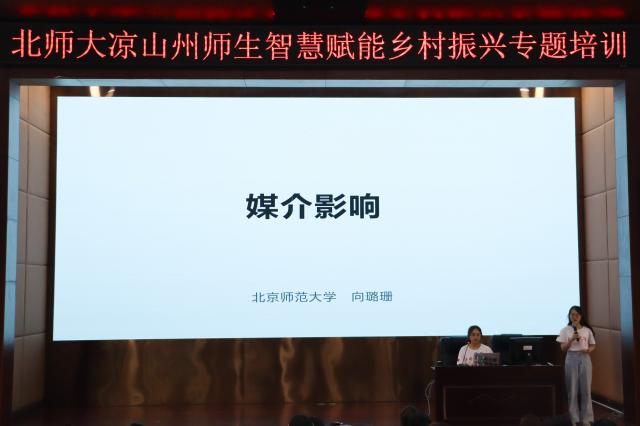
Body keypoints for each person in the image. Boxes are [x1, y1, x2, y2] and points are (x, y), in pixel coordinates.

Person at [556, 306, 596, 426]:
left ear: (581, 316)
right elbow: (563, 348)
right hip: (571, 357)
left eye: (577, 314)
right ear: (569, 316)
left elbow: (593, 344)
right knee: (572, 389)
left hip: (584, 357)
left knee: (586, 390)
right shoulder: (565, 330)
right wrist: (571, 340)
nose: (574, 317)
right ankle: (574, 419)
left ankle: (587, 419)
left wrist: (589, 350)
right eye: (572, 314)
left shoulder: (587, 330)